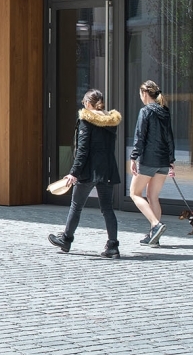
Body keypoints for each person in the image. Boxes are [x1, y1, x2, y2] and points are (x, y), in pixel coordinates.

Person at [48, 89, 122, 258]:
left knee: (76, 206)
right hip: (107, 170)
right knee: (107, 208)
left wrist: (73, 173)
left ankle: (66, 239)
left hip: (89, 170)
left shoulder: (86, 120)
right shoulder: (111, 121)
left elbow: (82, 150)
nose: (83, 105)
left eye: (84, 103)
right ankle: (113, 246)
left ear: (88, 103)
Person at [129, 79, 175, 246]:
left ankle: (156, 225)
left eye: (140, 94)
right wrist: (171, 160)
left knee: (135, 193)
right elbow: (170, 137)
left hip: (149, 160)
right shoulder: (165, 111)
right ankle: (154, 238)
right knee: (153, 197)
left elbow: (140, 136)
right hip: (163, 161)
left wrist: (133, 157)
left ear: (145, 93)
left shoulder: (145, 111)